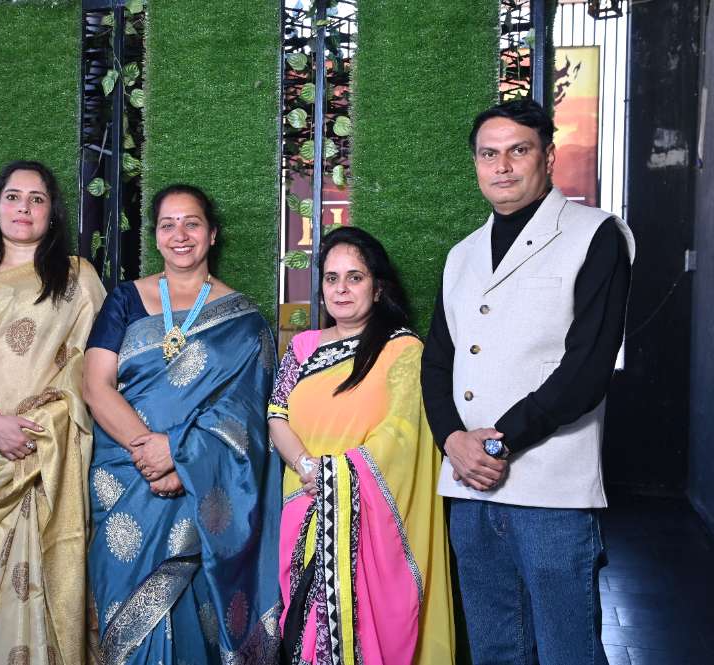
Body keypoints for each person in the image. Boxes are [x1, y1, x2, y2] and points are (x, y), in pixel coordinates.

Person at [420, 98, 635, 665]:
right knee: (494, 649)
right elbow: (437, 361)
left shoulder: (596, 235)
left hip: (551, 489)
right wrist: (452, 440)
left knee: (568, 651)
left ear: (548, 156)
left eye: (518, 150)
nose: (503, 166)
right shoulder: (462, 254)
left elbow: (586, 371)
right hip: (469, 486)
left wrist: (496, 443)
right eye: (488, 154)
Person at [82, 184, 281, 663]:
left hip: (204, 489)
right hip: (127, 480)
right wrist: (151, 453)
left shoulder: (245, 320)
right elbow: (95, 385)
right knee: (128, 623)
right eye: (168, 225)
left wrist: (180, 456)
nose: (180, 235)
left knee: (199, 617)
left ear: (212, 234)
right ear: (155, 236)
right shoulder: (125, 300)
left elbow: (250, 417)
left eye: (192, 223)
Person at [0, 161, 105, 665]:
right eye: (13, 197)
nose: (23, 208)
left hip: (44, 451)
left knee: (42, 576)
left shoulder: (77, 277)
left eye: (36, 199)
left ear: (52, 213)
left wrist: (41, 423)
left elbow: (95, 367)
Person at [269, 226, 455, 665]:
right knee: (304, 635)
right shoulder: (302, 348)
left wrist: (334, 476)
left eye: (355, 277)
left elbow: (403, 436)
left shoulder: (402, 351)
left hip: (368, 523)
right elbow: (277, 415)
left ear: (378, 287)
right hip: (304, 508)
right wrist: (309, 468)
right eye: (331, 278)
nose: (341, 289)